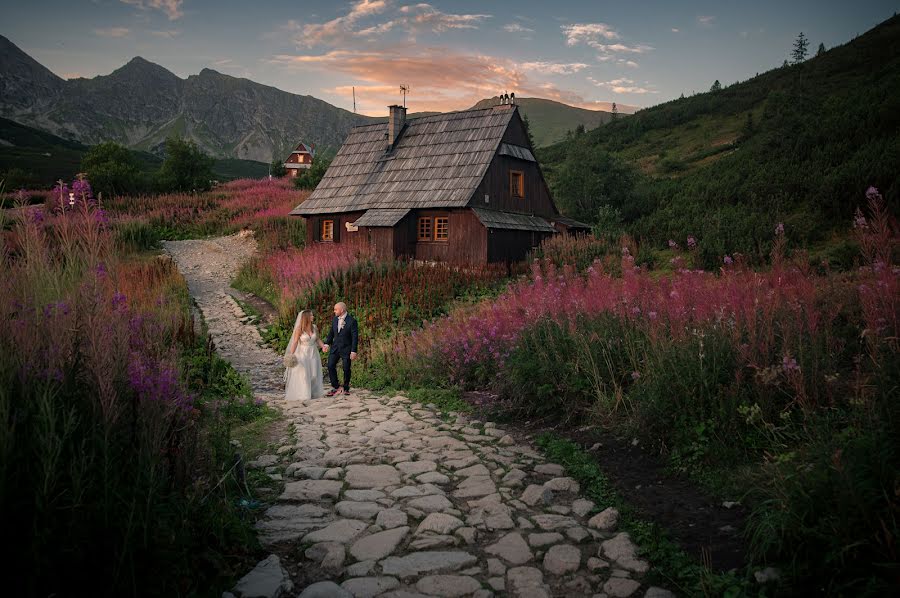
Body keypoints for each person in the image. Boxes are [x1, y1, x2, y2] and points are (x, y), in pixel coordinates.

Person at [283, 309, 325, 401]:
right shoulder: (299, 329)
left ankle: (313, 392)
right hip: (303, 353)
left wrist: (323, 346)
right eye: (311, 316)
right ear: (306, 318)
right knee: (304, 374)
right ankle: (304, 394)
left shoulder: (314, 327)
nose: (313, 317)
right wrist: (291, 355)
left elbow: (317, 339)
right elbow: (294, 342)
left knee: (314, 373)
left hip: (313, 352)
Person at [323, 302, 358, 396]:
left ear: (341, 310)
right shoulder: (335, 319)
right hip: (335, 348)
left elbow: (355, 337)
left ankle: (346, 387)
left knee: (346, 368)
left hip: (347, 348)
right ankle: (336, 387)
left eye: (335, 309)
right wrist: (326, 343)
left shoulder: (352, 321)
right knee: (330, 365)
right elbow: (331, 333)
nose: (334, 311)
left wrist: (353, 351)